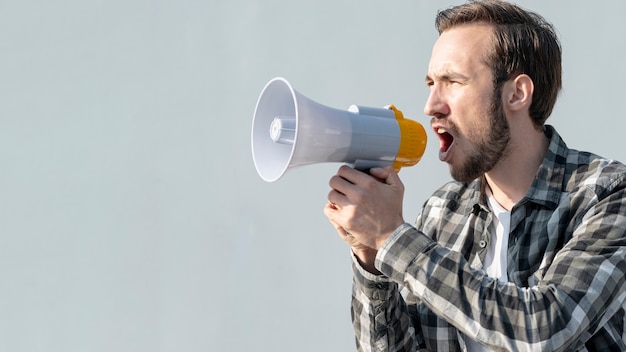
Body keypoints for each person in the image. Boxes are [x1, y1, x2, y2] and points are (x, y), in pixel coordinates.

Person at [323, 0, 626, 351]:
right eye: (431, 83)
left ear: (517, 93)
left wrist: (393, 238)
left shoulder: (606, 194)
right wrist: (371, 257)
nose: (431, 106)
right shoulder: (442, 211)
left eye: (452, 81)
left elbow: (546, 329)